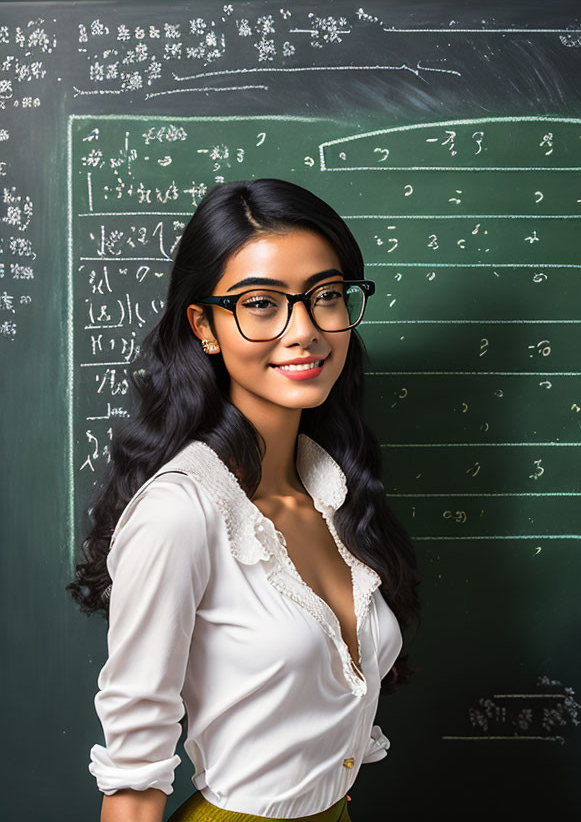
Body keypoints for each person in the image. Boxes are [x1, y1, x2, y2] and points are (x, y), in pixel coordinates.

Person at [67, 178, 422, 822]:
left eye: (326, 297)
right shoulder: (183, 511)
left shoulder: (332, 493)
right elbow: (134, 778)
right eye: (262, 303)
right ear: (204, 325)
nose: (305, 331)